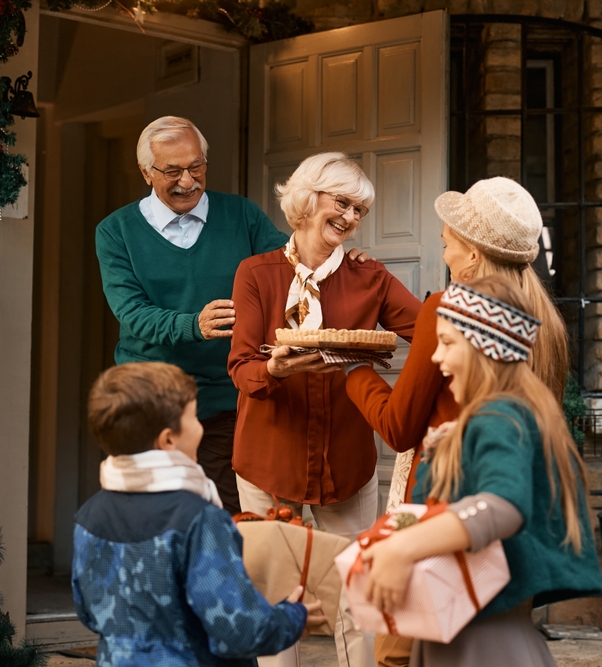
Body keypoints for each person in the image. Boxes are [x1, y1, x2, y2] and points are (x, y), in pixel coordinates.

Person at [344, 176, 570, 667]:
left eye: (448, 243)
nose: (443, 250)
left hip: (439, 515)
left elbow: (399, 427)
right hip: (510, 527)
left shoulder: (448, 311)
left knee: (397, 657)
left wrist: (352, 370)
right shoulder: (545, 321)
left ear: (472, 254)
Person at [95, 117, 368, 514]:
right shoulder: (115, 231)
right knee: (153, 516)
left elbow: (293, 261)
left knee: (227, 518)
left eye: (196, 167)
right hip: (150, 402)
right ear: (145, 173)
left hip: (226, 398)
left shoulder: (240, 213)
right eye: (172, 171)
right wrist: (193, 324)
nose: (188, 181)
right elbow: (131, 311)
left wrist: (344, 259)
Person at [228, 152, 423, 667]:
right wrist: (276, 371)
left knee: (358, 597)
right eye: (343, 202)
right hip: (268, 458)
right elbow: (242, 366)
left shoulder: (371, 278)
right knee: (276, 598)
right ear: (309, 199)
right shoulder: (256, 273)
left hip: (346, 460)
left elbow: (431, 333)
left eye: (360, 209)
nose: (352, 217)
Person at [360, 277, 602, 667]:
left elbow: (501, 506)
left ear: (484, 347)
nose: (436, 359)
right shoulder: (504, 416)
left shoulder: (500, 417)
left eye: (448, 343)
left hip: (481, 645)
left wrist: (402, 548)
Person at [72, 361, 325, 666]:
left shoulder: (88, 516)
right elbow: (239, 631)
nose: (201, 427)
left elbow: (89, 612)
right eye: (194, 417)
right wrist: (293, 616)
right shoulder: (200, 519)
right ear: (168, 439)